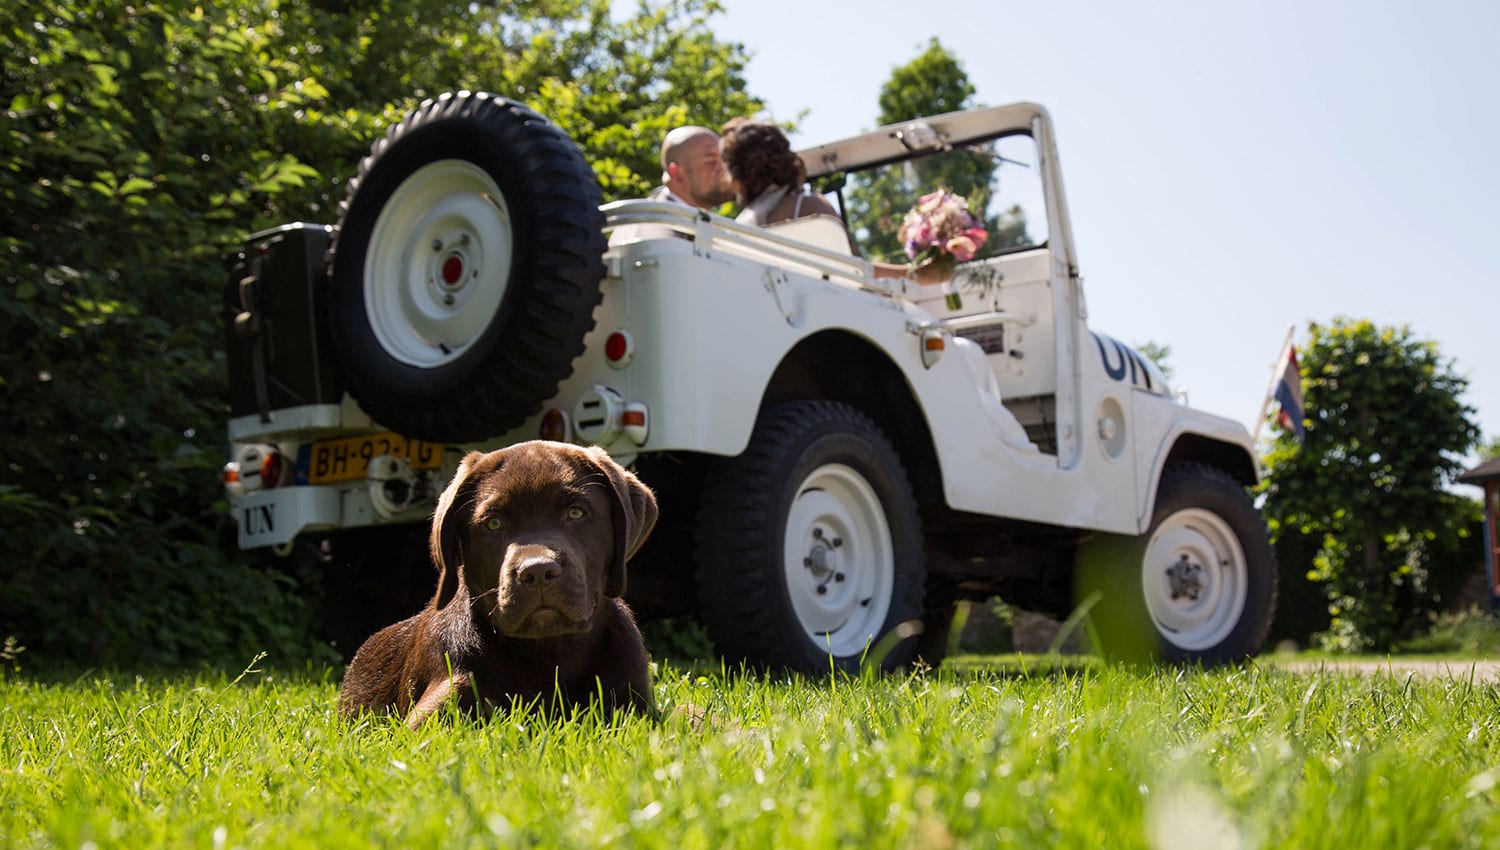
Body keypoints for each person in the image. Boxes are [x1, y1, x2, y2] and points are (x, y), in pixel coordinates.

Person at [719, 120, 933, 282]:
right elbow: (854, 271)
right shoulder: (808, 207)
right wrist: (918, 273)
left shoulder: (739, 229)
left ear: (738, 180)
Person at [652, 125, 735, 210]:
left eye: (724, 160)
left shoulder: (701, 220)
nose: (724, 169)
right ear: (676, 173)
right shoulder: (653, 220)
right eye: (711, 162)